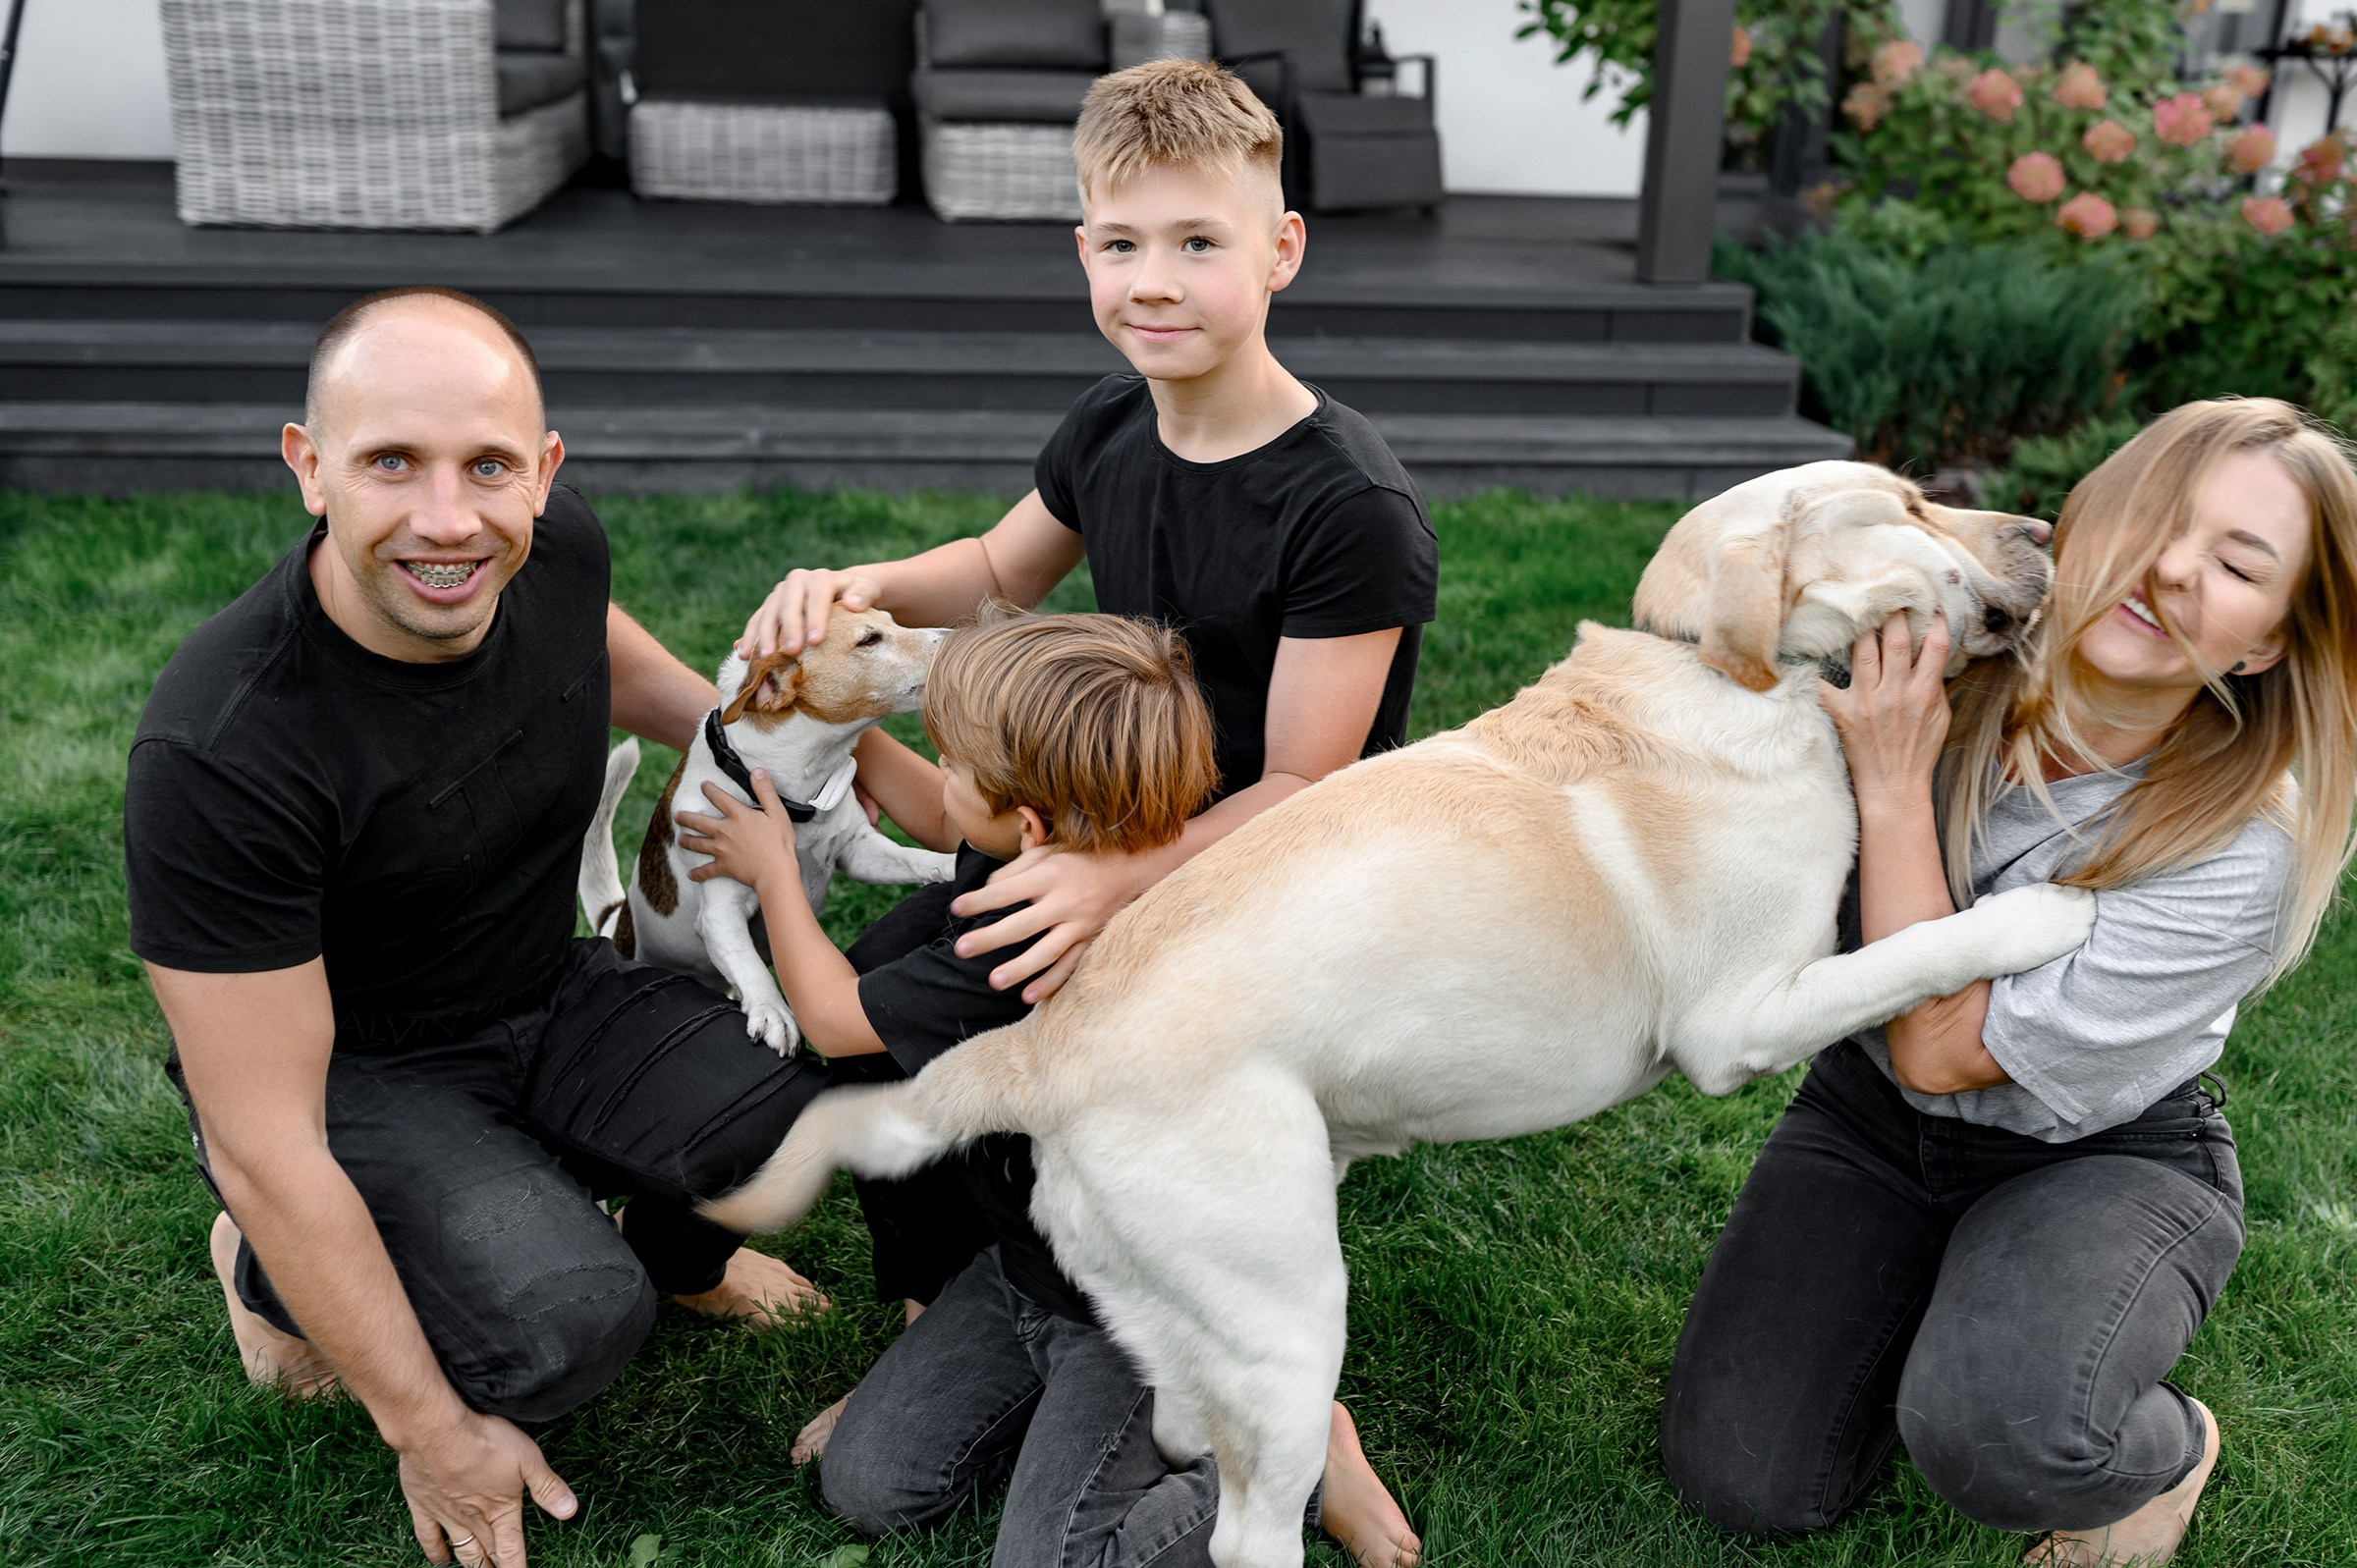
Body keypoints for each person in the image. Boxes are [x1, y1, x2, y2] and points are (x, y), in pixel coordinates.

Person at [737, 60, 1437, 1563]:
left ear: (1282, 250)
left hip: (1267, 881)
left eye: (1199, 242)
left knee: (1017, 1046)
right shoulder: (1112, 429)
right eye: (1123, 245)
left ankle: (1286, 1410)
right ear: (1083, 255)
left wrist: (1122, 888)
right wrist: (845, 592)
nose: (1156, 282)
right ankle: (974, 1306)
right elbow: (997, 575)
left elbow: (1315, 789)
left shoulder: (1345, 509)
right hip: (1095, 824)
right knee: (892, 1009)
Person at [126, 287, 843, 1568]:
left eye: (489, 468)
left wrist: (766, 748)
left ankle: (659, 1250)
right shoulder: (224, 746)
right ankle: (266, 1274)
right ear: (309, 469)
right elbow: (267, 1138)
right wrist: (432, 1428)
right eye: (390, 461)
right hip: (360, 1074)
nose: (448, 519)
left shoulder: (553, 549)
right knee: (563, 1329)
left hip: (542, 989)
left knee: (796, 1115)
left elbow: (603, 659)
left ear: (544, 476)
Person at [1659, 398, 2357, 1565]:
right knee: (1741, 1479)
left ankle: (2166, 1451)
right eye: (2156, 518)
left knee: (2006, 1433)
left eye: (2237, 565)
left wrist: (1891, 782)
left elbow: (1942, 1047)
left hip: (2098, 1156)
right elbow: (1711, 637)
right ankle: (1954, 1300)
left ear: (2268, 642)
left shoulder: (2248, 848)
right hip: (1870, 1116)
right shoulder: (1947, 652)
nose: (2173, 568)